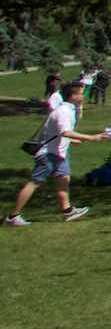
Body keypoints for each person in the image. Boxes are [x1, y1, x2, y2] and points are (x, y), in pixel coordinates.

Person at [5, 80, 104, 225]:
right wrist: (91, 137)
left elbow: (60, 133)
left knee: (63, 178)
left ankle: (68, 211)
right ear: (73, 96)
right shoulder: (63, 111)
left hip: (58, 154)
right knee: (34, 182)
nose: (83, 96)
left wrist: (72, 141)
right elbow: (65, 132)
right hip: (48, 154)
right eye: (81, 94)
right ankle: (12, 217)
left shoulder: (68, 109)